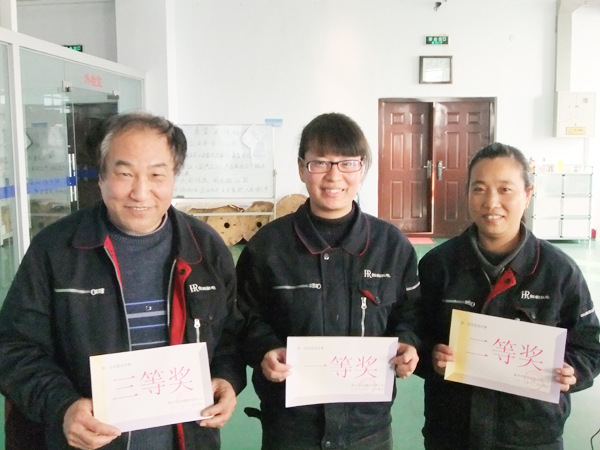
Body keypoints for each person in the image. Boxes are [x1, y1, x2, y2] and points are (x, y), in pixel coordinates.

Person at [0, 112, 245, 450]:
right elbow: (14, 347)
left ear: (174, 177)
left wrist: (226, 380)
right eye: (125, 173)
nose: (140, 193)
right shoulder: (56, 250)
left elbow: (230, 336)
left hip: (188, 440)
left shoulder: (205, 248)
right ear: (101, 177)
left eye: (157, 174)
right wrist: (63, 406)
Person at [236, 112, 421, 450]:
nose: (334, 176)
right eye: (320, 163)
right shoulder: (268, 247)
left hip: (368, 427)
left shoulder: (391, 245)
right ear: (301, 168)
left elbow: (411, 313)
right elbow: (245, 317)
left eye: (347, 163)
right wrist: (265, 349)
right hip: (290, 426)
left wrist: (408, 343)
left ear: (362, 168)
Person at [416, 142, 600, 450]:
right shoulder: (439, 265)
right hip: (452, 432)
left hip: (530, 435)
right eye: (479, 189)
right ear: (467, 194)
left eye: (505, 189)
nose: (491, 202)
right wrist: (431, 357)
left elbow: (590, 344)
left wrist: (574, 371)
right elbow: (414, 334)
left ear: (527, 195)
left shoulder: (558, 271)